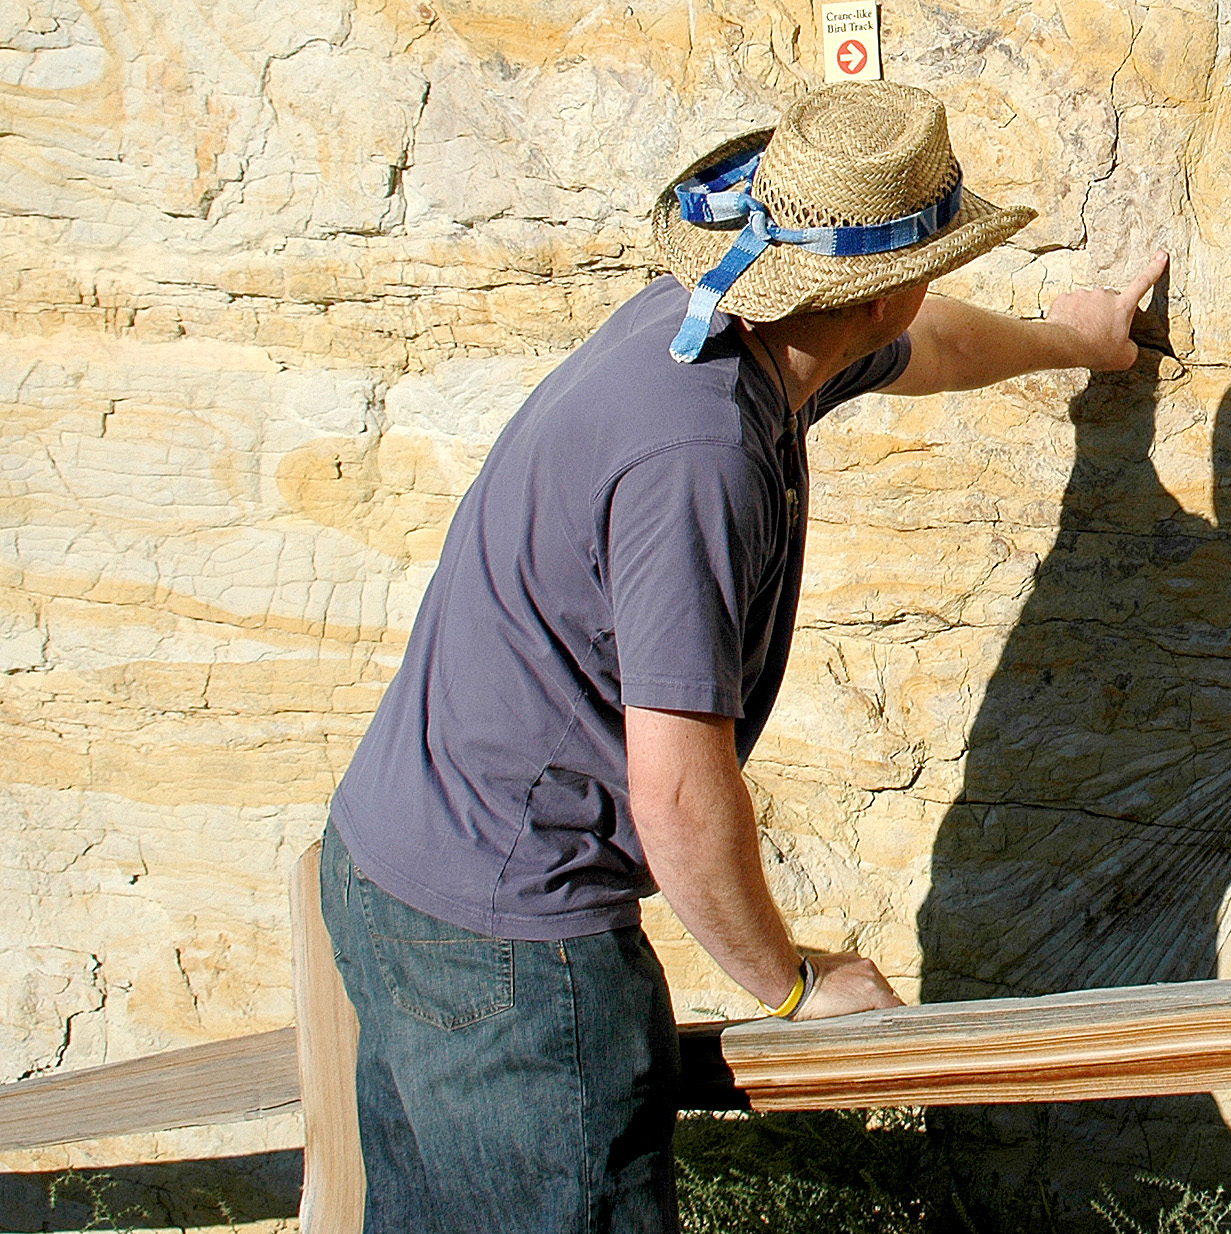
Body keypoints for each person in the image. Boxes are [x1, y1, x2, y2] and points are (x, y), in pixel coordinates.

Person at [321, 80, 1168, 1233]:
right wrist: (793, 983)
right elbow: (673, 789)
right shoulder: (703, 457)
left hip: (392, 868)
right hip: (509, 959)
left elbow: (925, 347)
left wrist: (1069, 343)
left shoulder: (712, 332)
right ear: (888, 287)